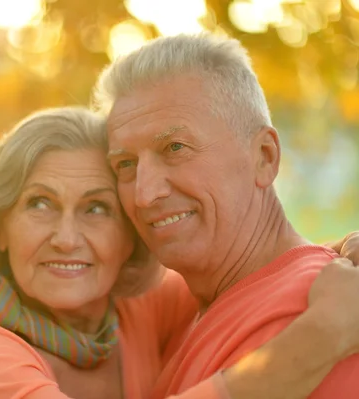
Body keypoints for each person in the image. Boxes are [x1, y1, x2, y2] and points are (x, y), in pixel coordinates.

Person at [0, 106, 359, 399]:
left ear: (130, 235)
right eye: (39, 203)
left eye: (97, 208)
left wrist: (337, 251)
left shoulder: (136, 312)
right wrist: (320, 335)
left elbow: (250, 266)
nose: (66, 238)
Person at [96, 33, 359, 398]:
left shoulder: (319, 313)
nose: (144, 194)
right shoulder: (195, 306)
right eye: (125, 164)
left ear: (264, 157)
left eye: (175, 147)